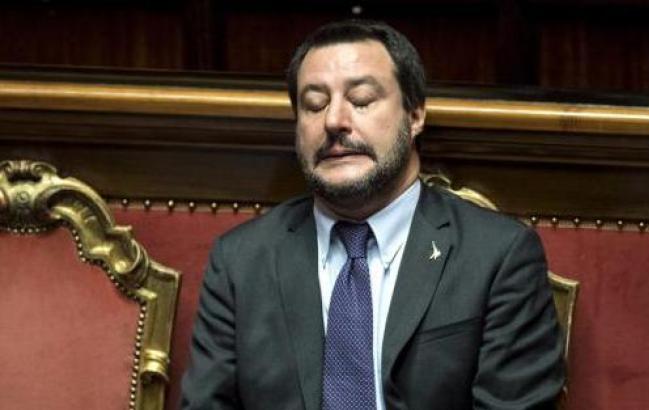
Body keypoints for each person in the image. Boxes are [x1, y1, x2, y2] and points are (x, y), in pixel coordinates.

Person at [181, 19, 564, 410]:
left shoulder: (497, 256)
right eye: (314, 105)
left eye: (361, 100)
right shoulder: (241, 261)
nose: (334, 121)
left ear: (415, 115)